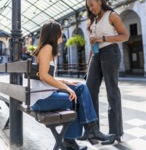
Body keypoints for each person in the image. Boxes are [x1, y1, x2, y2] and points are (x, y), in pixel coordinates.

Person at [30, 20, 115, 150]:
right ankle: (79, 137)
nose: (62, 34)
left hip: (43, 95)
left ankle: (89, 131)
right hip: (42, 99)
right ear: (55, 34)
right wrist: (66, 88)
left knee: (81, 87)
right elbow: (43, 76)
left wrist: (67, 82)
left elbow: (48, 77)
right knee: (75, 99)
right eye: (61, 32)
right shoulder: (47, 48)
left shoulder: (46, 48)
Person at [79, 0, 129, 145]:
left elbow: (125, 36)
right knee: (89, 90)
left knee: (111, 91)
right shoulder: (93, 21)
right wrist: (89, 66)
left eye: (92, 4)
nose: (91, 8)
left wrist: (103, 38)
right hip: (97, 55)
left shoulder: (111, 15)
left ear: (100, 1)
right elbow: (93, 45)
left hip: (111, 52)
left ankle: (115, 133)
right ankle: (93, 130)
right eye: (89, 7)